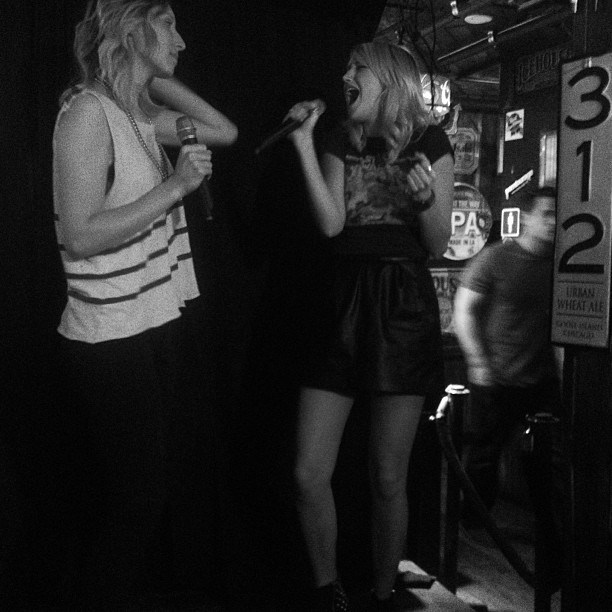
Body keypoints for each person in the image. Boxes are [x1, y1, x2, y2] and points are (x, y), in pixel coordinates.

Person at [52, 1, 237, 609]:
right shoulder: (87, 113)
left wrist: (151, 73)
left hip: (149, 323)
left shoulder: (138, 114)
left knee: (146, 496)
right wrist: (177, 186)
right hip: (109, 336)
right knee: (137, 501)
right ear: (133, 28)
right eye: (168, 24)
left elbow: (223, 130)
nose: (182, 40)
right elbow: (80, 235)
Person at [284, 42, 454, 611]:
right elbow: (332, 225)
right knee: (308, 472)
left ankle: (382, 597)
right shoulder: (340, 136)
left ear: (389, 79)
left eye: (357, 68)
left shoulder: (430, 141)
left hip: (402, 302)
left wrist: (426, 201)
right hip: (342, 299)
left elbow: (438, 243)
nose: (345, 75)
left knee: (387, 475)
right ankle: (328, 592)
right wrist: (303, 145)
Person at [453, 186, 564, 590]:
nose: (552, 222)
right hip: (496, 376)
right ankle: (469, 532)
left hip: (539, 379)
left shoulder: (561, 265)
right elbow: (463, 310)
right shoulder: (496, 258)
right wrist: (478, 361)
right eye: (546, 213)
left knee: (546, 463)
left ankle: (550, 538)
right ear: (528, 217)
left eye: (557, 215)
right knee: (484, 456)